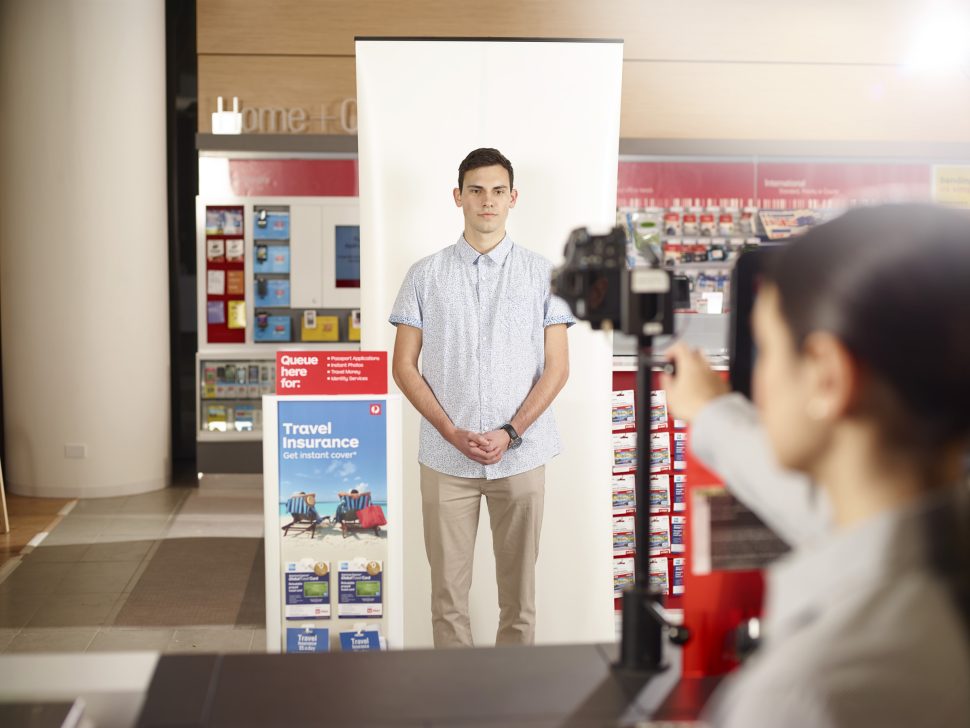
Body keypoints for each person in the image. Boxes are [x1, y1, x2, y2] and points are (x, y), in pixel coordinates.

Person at [662, 204, 970, 727]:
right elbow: (830, 512)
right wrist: (713, 413)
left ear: (828, 377)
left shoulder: (808, 694)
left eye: (769, 349)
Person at [389, 147, 574, 647]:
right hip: (446, 461)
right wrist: (449, 431)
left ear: (513, 198)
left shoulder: (544, 274)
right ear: (458, 197)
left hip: (522, 456)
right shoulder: (424, 275)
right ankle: (459, 706)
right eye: (476, 191)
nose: (486, 201)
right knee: (447, 600)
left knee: (519, 598)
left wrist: (511, 431)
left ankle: (508, 705)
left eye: (497, 191)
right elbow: (403, 366)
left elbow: (557, 368)